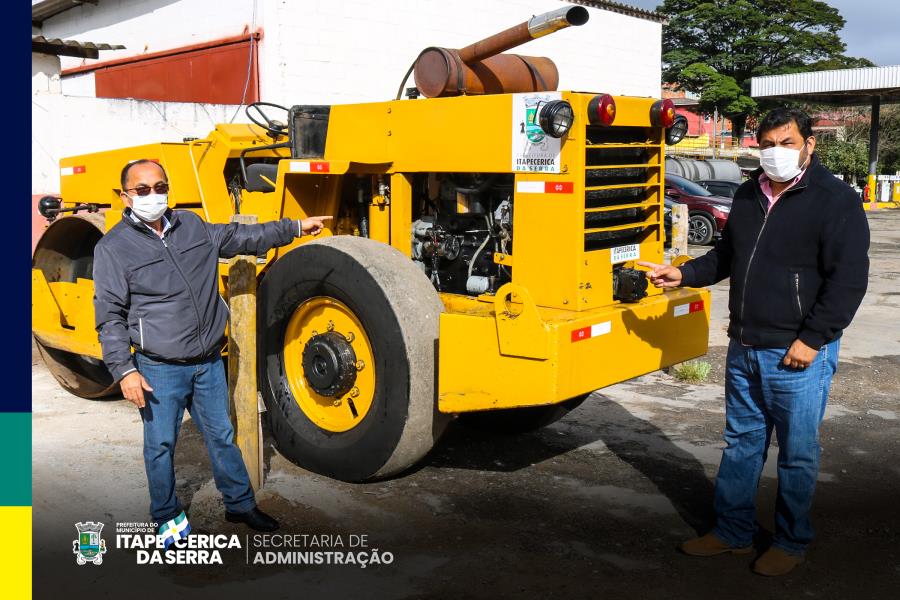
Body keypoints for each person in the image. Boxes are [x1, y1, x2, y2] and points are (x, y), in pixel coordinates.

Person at [639, 108, 869, 576]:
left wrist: (813, 338)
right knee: (741, 443)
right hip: (745, 344)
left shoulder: (834, 199)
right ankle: (732, 532)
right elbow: (726, 255)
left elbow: (848, 281)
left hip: (798, 353)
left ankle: (790, 540)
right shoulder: (748, 193)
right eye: (767, 144)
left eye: (786, 143)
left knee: (797, 453)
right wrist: (683, 273)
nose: (775, 153)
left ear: (809, 144)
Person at [93, 159, 331, 535]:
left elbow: (242, 237)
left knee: (221, 435)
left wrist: (295, 227)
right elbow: (109, 315)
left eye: (160, 187)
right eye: (142, 190)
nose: (153, 196)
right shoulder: (113, 248)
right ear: (124, 196)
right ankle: (167, 518)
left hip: (207, 363)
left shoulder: (191, 226)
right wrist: (125, 370)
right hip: (159, 368)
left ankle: (239, 505)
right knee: (160, 446)